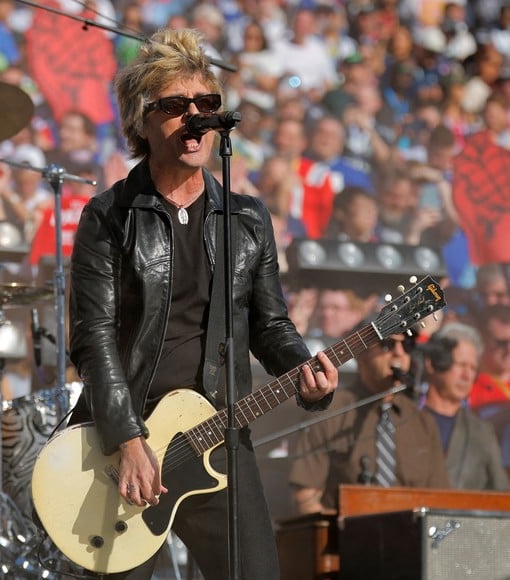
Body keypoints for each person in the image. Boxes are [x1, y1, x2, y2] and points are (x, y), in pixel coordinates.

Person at [67, 28, 339, 579]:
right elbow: (92, 339)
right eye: (175, 106)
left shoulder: (247, 218)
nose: (194, 117)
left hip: (218, 437)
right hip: (130, 442)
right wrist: (127, 439)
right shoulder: (109, 215)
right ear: (141, 122)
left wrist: (305, 371)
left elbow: (270, 325)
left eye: (206, 104)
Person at [289, 331, 450, 514]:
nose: (399, 353)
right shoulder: (329, 412)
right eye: (387, 345)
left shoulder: (422, 422)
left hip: (410, 529)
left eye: (407, 346)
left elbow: (441, 502)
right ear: (361, 354)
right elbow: (305, 499)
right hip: (348, 529)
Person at [420, 323, 510, 490]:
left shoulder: (482, 432)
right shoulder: (404, 419)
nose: (467, 375)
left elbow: (501, 494)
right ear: (433, 363)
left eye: (473, 368)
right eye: (461, 365)